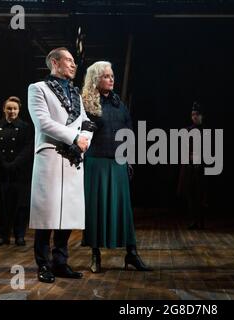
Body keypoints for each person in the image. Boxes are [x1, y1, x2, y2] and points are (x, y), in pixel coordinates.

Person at [28, 47, 95, 283]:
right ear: (54, 63)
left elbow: (86, 122)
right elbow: (43, 122)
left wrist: (83, 141)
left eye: (74, 61)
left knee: (67, 214)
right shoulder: (38, 89)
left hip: (73, 157)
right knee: (47, 214)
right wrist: (74, 137)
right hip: (52, 155)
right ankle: (43, 264)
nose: (73, 64)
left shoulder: (76, 94)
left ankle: (60, 262)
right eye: (68, 60)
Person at [81, 61, 152, 273]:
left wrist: (129, 159)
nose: (111, 79)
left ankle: (131, 253)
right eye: (105, 76)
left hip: (118, 162)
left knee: (124, 209)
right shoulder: (86, 104)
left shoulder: (119, 104)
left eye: (112, 76)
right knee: (96, 209)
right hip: (96, 162)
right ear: (95, 79)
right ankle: (95, 254)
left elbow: (128, 132)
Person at [0, 96, 33, 247]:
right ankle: (2, 235)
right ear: (4, 109)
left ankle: (19, 236)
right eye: (9, 108)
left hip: (19, 173)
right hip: (2, 171)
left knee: (20, 206)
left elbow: (28, 148)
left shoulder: (25, 127)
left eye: (14, 108)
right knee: (2, 205)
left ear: (19, 110)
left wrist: (14, 163)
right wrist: (3, 162)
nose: (12, 111)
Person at [177, 102, 208, 229]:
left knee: (200, 194)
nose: (194, 116)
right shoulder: (187, 130)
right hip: (190, 166)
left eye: (197, 114)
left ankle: (200, 220)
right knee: (190, 193)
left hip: (201, 166)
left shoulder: (206, 130)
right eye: (193, 114)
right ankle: (193, 220)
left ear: (202, 116)